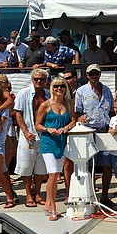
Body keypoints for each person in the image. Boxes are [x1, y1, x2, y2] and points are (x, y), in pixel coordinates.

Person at [74, 64, 115, 208]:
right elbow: (77, 112)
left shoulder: (107, 90)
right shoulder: (81, 91)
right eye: (91, 74)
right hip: (89, 131)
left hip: (105, 130)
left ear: (100, 73)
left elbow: (111, 111)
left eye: (96, 73)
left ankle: (104, 196)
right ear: (87, 75)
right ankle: (92, 196)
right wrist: (79, 119)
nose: (94, 76)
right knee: (90, 166)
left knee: (107, 165)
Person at [35, 76, 75, 220]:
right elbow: (37, 124)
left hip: (62, 142)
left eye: (62, 86)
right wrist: (48, 129)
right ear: (52, 88)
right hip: (48, 142)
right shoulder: (46, 105)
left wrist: (66, 127)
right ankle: (51, 206)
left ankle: (49, 204)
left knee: (57, 174)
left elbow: (73, 119)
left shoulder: (69, 103)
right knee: (53, 175)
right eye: (56, 86)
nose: (59, 89)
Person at [13, 68, 50, 208]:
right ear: (32, 79)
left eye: (41, 79)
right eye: (36, 79)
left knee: (40, 167)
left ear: (46, 80)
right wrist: (26, 132)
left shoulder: (48, 94)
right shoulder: (24, 93)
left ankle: (38, 194)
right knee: (26, 166)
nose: (38, 81)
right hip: (27, 135)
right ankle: (29, 195)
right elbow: (18, 114)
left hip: (44, 134)